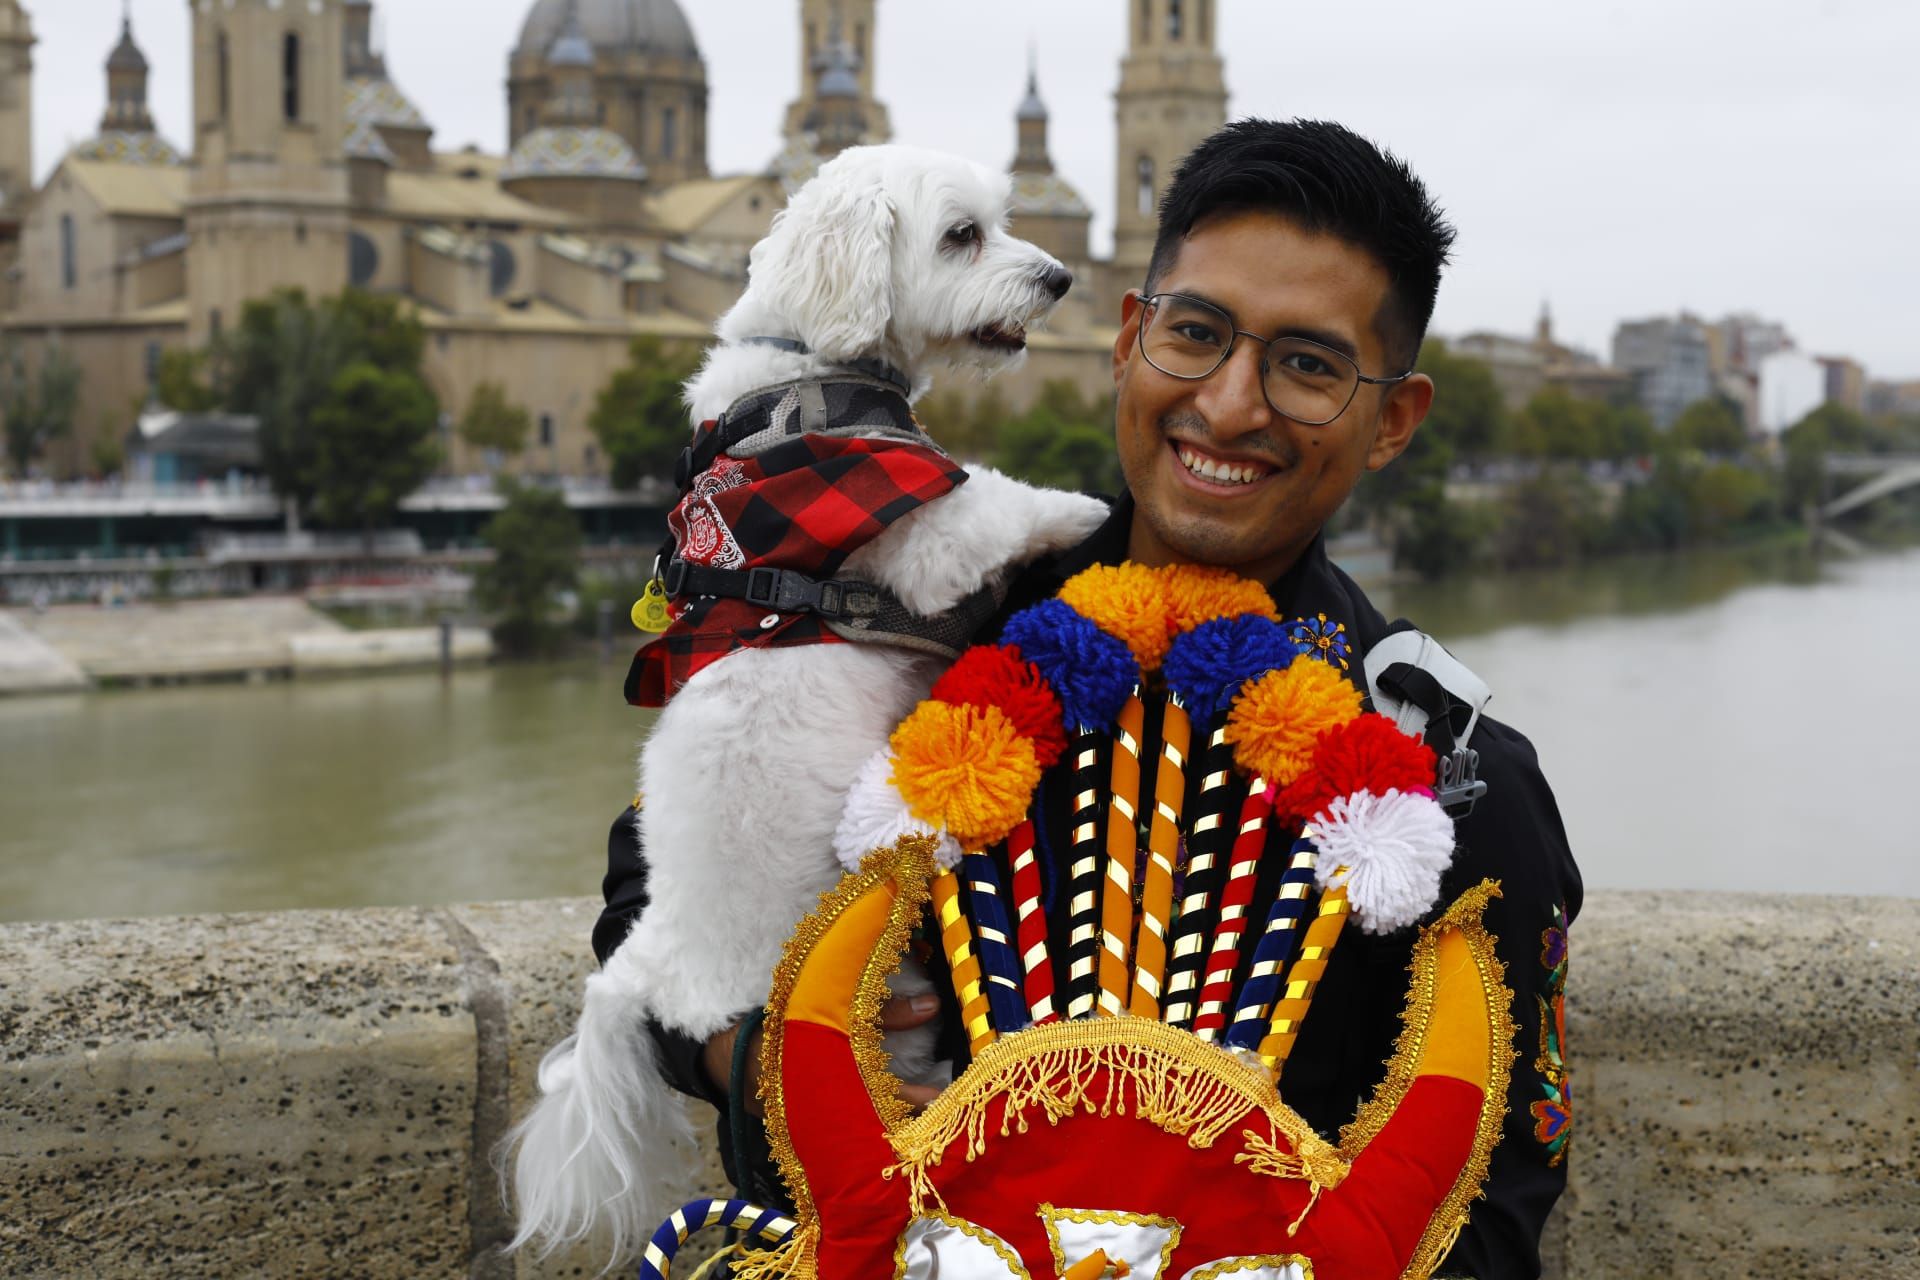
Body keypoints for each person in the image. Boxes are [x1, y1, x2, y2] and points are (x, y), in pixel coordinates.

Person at [595, 118, 1580, 1278]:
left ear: (1393, 422)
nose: (1228, 405)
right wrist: (756, 1058)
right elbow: (651, 880)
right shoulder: (924, 617)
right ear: (1128, 342)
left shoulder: (1453, 771)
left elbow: (1489, 1214)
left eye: (1308, 366)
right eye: (1196, 335)